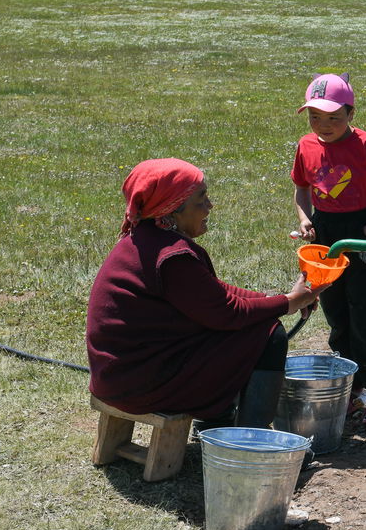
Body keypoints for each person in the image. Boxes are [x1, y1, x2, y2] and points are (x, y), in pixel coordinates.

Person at [86, 158, 319, 431]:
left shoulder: (143, 237)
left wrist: (274, 298)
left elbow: (215, 294)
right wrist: (292, 302)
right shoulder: (172, 256)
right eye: (201, 199)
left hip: (119, 376)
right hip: (142, 385)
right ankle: (250, 442)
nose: (209, 206)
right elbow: (228, 313)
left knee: (241, 331)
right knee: (269, 335)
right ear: (173, 210)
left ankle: (219, 419)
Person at [291, 73, 366, 425]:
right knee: (333, 307)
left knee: (362, 311)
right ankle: (347, 384)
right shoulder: (306, 146)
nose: (324, 125)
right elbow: (302, 189)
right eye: (315, 118)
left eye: (334, 118)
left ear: (351, 114)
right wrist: (306, 218)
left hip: (360, 231)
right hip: (325, 233)